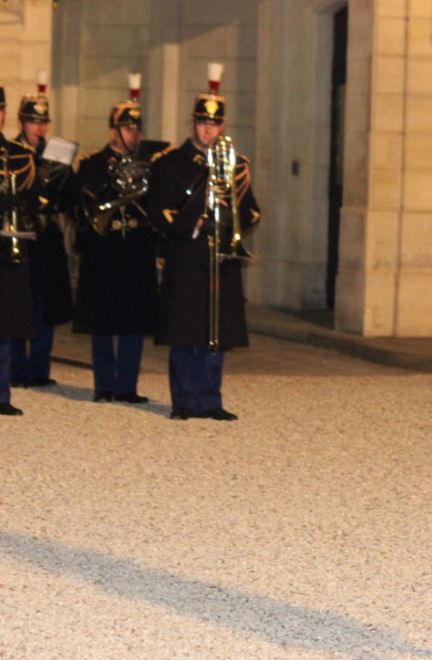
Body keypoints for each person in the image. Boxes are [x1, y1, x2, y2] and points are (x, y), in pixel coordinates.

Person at [144, 63, 260, 421]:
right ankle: (183, 400)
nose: (208, 130)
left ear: (222, 126)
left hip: (221, 258)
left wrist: (232, 218)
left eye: (214, 124)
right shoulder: (171, 163)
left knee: (216, 336)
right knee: (185, 332)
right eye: (202, 123)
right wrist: (193, 219)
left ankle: (210, 399)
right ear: (192, 124)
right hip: (187, 255)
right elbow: (159, 211)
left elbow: (253, 212)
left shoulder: (236, 164)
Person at [70, 74, 158, 403]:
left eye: (137, 129)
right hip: (104, 250)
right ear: (113, 131)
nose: (133, 135)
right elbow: (83, 200)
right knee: (103, 321)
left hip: (135, 249)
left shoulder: (149, 164)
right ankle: (104, 385)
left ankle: (127, 386)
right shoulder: (93, 164)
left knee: (133, 322)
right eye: (127, 128)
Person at [11, 71, 73, 388]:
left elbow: (67, 200)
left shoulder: (56, 154)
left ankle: (38, 369)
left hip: (47, 235)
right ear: (22, 122)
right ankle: (16, 368)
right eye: (34, 121)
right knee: (20, 301)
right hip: (20, 234)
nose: (40, 128)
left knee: (45, 304)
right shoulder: (11, 152)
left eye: (44, 122)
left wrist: (64, 178)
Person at [0, 84, 41, 416]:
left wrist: (20, 206)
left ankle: (1, 394)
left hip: (7, 249)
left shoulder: (18, 155)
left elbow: (34, 200)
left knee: (5, 327)